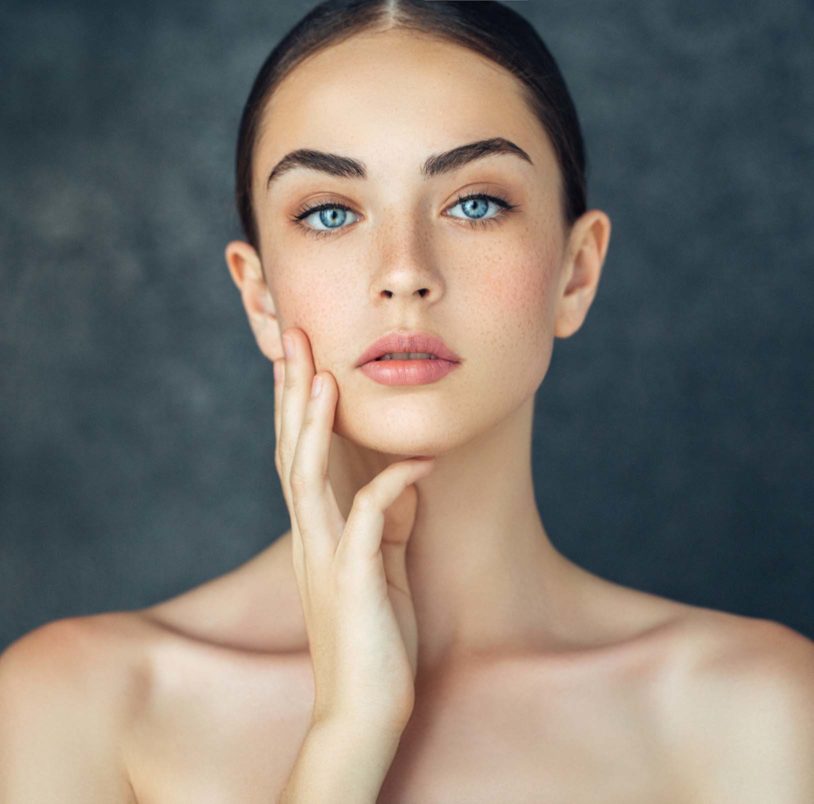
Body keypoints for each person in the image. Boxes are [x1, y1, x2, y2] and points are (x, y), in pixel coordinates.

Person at [2, 1, 812, 801]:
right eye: (329, 212)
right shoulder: (74, 706)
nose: (403, 271)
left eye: (475, 204)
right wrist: (347, 736)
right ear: (260, 299)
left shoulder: (759, 711)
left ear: (577, 272)